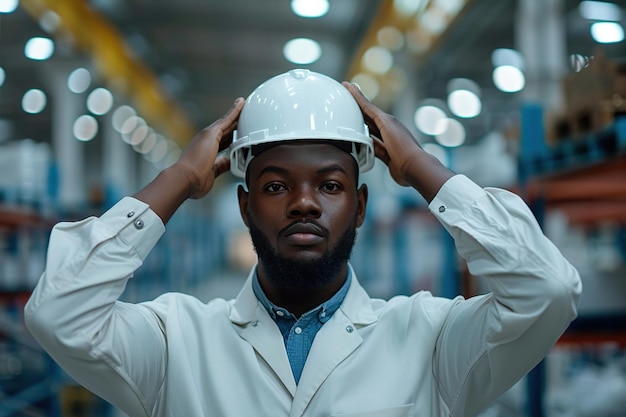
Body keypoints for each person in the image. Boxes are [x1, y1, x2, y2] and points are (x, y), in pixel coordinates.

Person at [25, 69, 581, 417]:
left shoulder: (432, 344)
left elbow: (547, 291)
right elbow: (59, 313)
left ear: (359, 206)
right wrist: (175, 181)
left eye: (331, 185)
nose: (304, 202)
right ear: (245, 206)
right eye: (274, 186)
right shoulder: (176, 346)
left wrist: (421, 167)